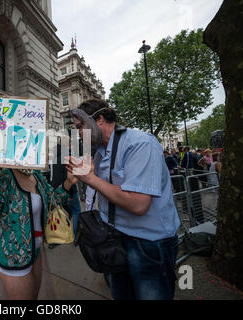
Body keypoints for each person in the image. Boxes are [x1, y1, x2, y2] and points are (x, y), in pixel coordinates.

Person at [67, 99, 180, 300]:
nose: (78, 133)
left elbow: (138, 204)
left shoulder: (140, 144)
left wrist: (90, 178)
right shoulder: (101, 153)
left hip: (148, 244)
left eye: (80, 126)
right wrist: (89, 178)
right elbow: (109, 191)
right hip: (116, 240)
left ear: (99, 120)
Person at [0, 167, 78, 300]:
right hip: (15, 260)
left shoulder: (37, 176)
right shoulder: (3, 179)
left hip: (36, 254)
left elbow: (53, 201)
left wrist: (69, 182)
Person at [45, 141, 82, 247]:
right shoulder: (67, 157)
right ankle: (73, 237)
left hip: (54, 189)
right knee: (76, 211)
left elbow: (51, 175)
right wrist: (68, 191)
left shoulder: (53, 156)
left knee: (56, 213)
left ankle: (54, 238)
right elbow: (67, 176)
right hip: (67, 189)